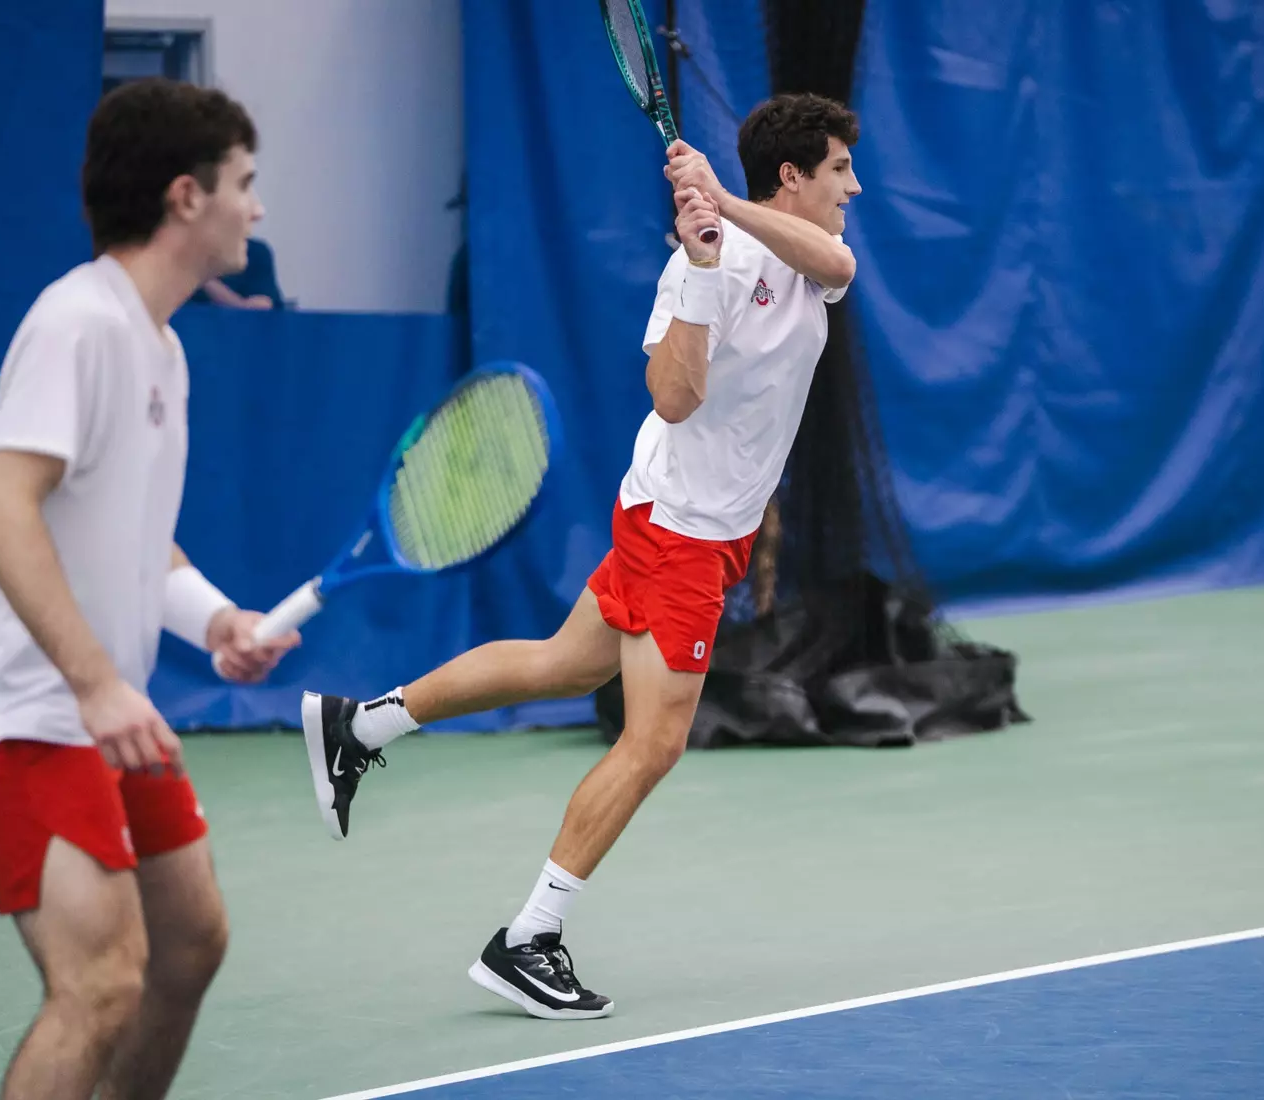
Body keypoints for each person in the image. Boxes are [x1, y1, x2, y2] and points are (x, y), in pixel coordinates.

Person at [298, 92, 863, 1019]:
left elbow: (837, 262)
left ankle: (359, 728)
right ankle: (529, 939)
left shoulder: (809, 258)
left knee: (563, 664)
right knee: (653, 745)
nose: (855, 187)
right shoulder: (701, 266)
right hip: (679, 531)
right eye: (841, 169)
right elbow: (673, 398)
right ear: (795, 175)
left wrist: (726, 201)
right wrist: (704, 265)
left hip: (698, 524)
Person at [0, 78, 299, 1099]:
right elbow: (4, 508)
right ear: (187, 195)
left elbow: (130, 533)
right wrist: (95, 684)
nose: (257, 207)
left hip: (97, 710)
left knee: (189, 941)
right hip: (20, 712)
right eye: (244, 183)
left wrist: (213, 618)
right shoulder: (76, 324)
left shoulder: (161, 347)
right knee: (98, 984)